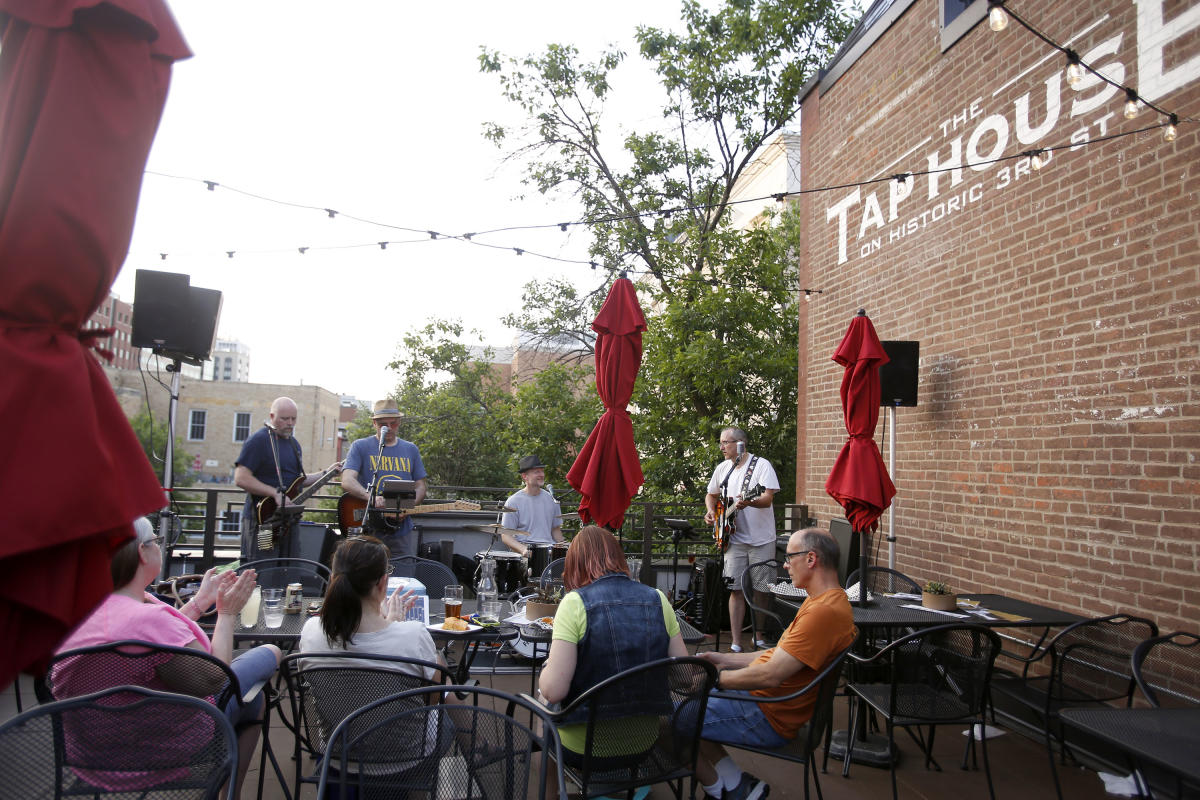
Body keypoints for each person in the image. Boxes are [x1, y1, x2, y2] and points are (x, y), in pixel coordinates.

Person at [56, 517, 281, 799]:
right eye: (156, 541)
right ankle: (228, 794)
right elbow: (213, 678)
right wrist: (227, 613)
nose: (159, 548)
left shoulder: (82, 610)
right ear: (142, 551)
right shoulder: (148, 619)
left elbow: (151, 639)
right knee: (269, 655)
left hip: (90, 752)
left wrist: (200, 602)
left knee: (251, 698)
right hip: (160, 750)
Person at [692, 529, 857, 800]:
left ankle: (724, 787)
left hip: (765, 715)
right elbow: (776, 655)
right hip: (763, 702)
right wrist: (721, 659)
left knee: (671, 714)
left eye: (790, 556)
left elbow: (770, 675)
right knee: (684, 700)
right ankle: (736, 786)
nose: (784, 563)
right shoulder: (824, 601)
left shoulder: (822, 612)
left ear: (811, 559)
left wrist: (714, 678)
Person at [538, 525, 689, 784]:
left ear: (575, 564)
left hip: (582, 747)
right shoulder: (658, 599)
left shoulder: (574, 603)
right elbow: (685, 675)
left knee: (543, 703)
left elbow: (554, 692)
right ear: (618, 558)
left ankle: (550, 791)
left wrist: (546, 670)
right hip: (643, 743)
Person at [299, 535, 443, 676]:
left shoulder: (311, 630)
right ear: (382, 582)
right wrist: (394, 627)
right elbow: (436, 696)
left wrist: (391, 626)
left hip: (327, 701)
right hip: (395, 700)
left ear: (332, 579)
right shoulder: (414, 636)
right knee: (438, 660)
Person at [234, 396, 340, 560]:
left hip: (289, 522)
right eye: (284, 419)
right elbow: (241, 478)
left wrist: (327, 473)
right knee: (263, 570)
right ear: (272, 417)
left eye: (293, 418)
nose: (290, 423)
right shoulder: (259, 441)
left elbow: (298, 482)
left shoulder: (294, 444)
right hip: (265, 521)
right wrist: (275, 493)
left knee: (289, 569)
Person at [703, 426, 780, 653]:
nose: (721, 447)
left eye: (725, 442)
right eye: (721, 442)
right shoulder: (723, 469)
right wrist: (711, 512)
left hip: (761, 538)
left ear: (740, 444)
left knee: (761, 589)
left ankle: (758, 636)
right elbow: (711, 493)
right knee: (735, 589)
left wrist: (751, 502)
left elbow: (766, 498)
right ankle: (736, 642)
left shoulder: (762, 465)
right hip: (733, 538)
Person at [340, 399, 428, 557]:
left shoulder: (411, 449)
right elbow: (347, 480)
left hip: (401, 532)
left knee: (403, 576)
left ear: (399, 422)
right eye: (383, 424)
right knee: (367, 576)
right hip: (369, 529)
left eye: (393, 423)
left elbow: (421, 486)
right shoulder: (360, 446)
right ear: (374, 423)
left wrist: (407, 508)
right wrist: (371, 498)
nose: (388, 428)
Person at [500, 454, 564, 556]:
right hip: (525, 551)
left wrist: (566, 548)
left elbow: (555, 530)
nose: (541, 474)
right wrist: (523, 550)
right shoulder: (513, 501)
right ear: (525, 476)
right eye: (536, 472)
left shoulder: (551, 499)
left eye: (542, 471)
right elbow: (506, 536)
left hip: (549, 551)